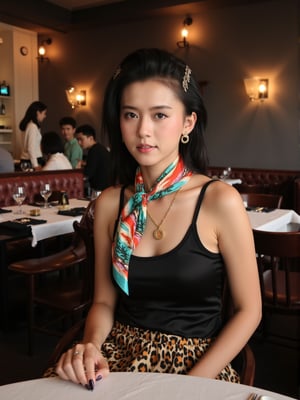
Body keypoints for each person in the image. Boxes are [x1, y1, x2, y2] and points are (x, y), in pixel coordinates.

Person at [54, 48, 261, 391]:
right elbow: (105, 302)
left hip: (196, 364)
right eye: (131, 115)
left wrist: (186, 387)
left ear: (188, 123)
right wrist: (91, 345)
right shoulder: (109, 203)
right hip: (118, 355)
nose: (143, 131)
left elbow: (249, 310)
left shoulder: (219, 201)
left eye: (160, 115)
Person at [75, 124, 111, 195]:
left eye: (81, 139)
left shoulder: (94, 150)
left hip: (101, 190)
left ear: (91, 138)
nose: (79, 143)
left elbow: (89, 172)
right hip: (107, 188)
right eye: (78, 140)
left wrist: (79, 169)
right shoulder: (99, 148)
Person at [19, 101, 47, 170]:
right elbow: (31, 148)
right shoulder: (32, 126)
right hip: (32, 161)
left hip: (26, 160)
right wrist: (35, 165)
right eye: (44, 113)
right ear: (38, 112)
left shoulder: (28, 125)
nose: (45, 116)